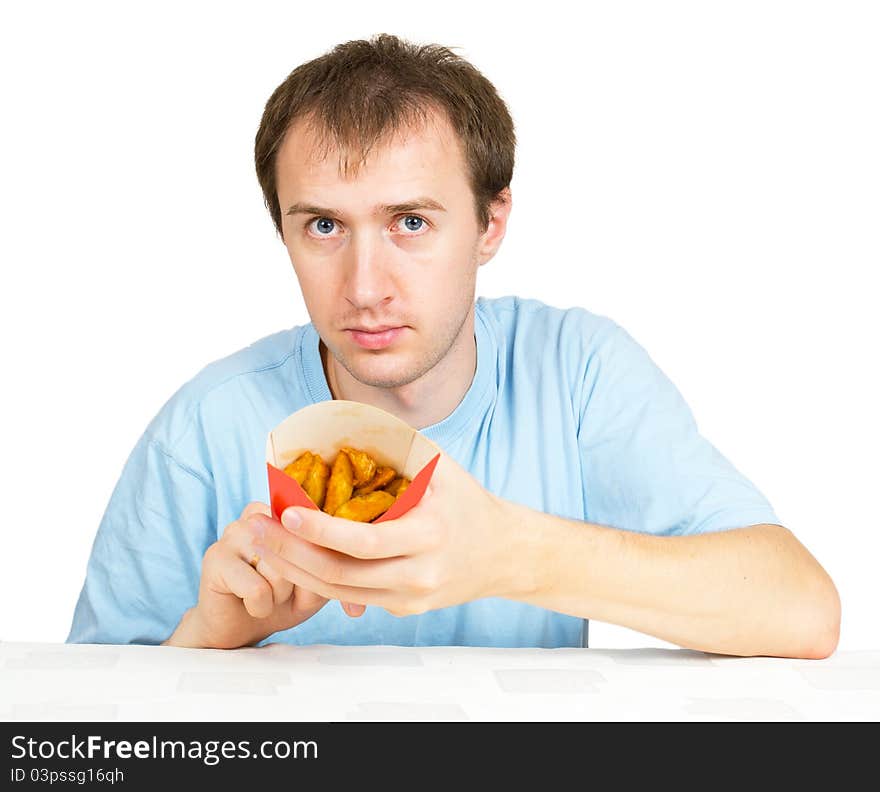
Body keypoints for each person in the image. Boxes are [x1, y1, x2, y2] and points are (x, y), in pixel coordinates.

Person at [67, 34, 840, 658]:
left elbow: (801, 611)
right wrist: (209, 638)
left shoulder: (575, 373)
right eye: (324, 226)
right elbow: (76, 745)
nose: (365, 286)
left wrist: (507, 553)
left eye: (411, 223)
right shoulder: (205, 426)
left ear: (490, 224)